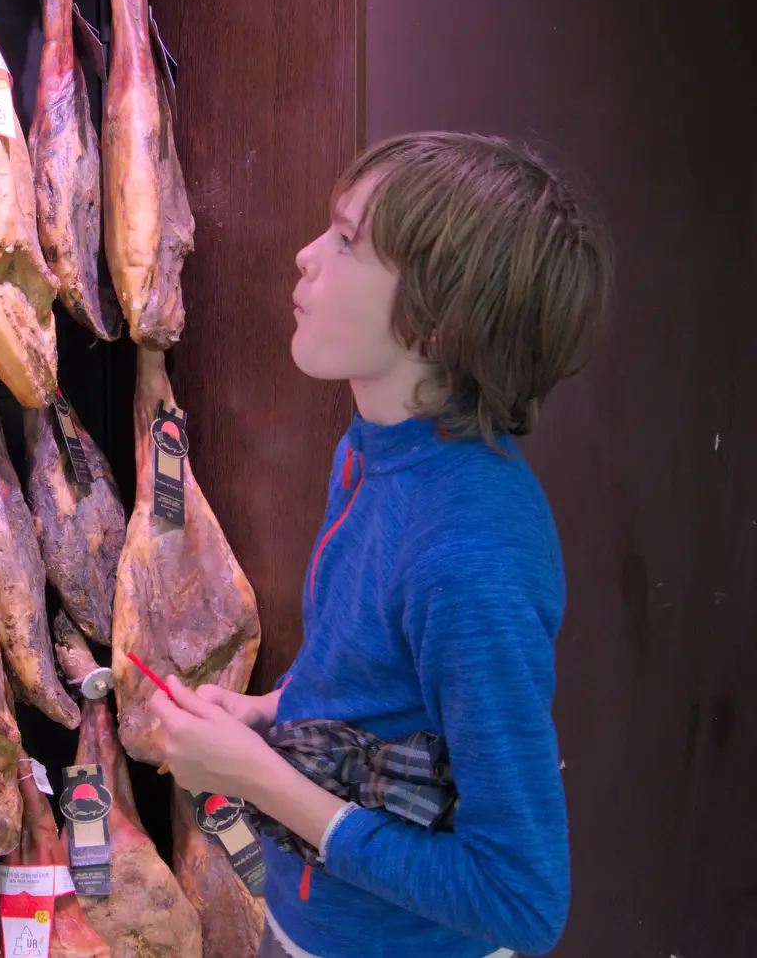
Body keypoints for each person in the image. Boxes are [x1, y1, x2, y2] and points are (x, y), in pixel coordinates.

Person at [153, 131, 610, 958]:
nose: (304, 257)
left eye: (345, 241)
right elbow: (375, 685)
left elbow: (523, 897)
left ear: (437, 324)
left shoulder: (471, 557)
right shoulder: (372, 446)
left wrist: (258, 778)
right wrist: (267, 716)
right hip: (310, 924)